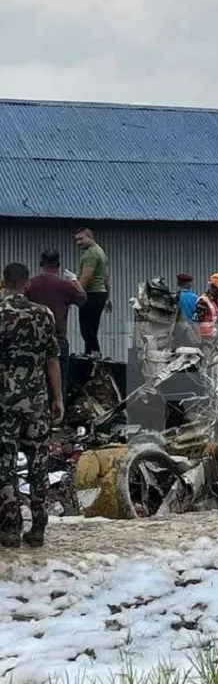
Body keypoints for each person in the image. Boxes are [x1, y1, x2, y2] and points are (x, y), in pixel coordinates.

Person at [0, 262, 64, 547]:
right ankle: (38, 528)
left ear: (4, 283)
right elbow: (52, 359)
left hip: (4, 403)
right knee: (39, 465)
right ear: (26, 284)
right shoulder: (44, 314)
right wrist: (58, 398)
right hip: (37, 403)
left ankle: (10, 528)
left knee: (5, 466)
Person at [23, 249, 86, 393]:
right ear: (58, 264)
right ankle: (58, 411)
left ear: (41, 263)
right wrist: (75, 281)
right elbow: (83, 299)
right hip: (58, 338)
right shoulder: (65, 285)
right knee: (58, 384)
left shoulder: (30, 284)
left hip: (34, 339)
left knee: (34, 384)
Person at [73, 227, 111, 358]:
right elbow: (105, 277)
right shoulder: (100, 251)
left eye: (81, 239)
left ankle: (95, 352)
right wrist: (107, 296)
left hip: (91, 294)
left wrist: (76, 294)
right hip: (100, 293)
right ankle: (90, 352)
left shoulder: (91, 254)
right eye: (76, 240)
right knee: (92, 327)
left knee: (86, 328)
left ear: (89, 237)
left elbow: (86, 277)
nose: (78, 243)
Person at [194, 273, 218, 347]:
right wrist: (198, 342)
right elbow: (195, 323)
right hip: (205, 342)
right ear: (213, 287)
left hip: (215, 340)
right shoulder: (203, 302)